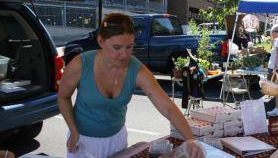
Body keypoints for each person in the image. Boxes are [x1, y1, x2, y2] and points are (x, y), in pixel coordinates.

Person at [58, 13, 203, 158]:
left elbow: (167, 107)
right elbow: (63, 97)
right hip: (81, 141)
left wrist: (190, 139)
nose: (124, 54)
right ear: (101, 41)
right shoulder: (81, 64)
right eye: (117, 47)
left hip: (117, 141)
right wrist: (73, 129)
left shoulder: (137, 70)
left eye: (129, 47)